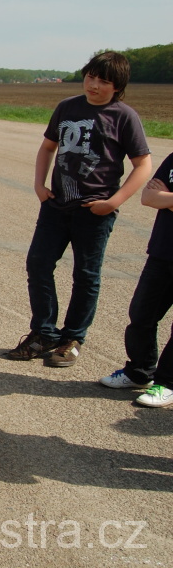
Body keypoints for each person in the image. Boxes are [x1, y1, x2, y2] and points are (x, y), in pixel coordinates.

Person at [5, 51, 151, 367]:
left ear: (117, 86)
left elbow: (143, 164)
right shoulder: (67, 107)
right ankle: (44, 333)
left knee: (85, 275)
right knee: (38, 264)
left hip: (94, 210)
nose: (94, 85)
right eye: (90, 77)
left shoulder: (124, 117)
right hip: (56, 206)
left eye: (103, 81)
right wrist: (39, 184)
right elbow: (48, 147)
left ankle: (72, 339)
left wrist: (114, 202)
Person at [99, 151, 173, 408]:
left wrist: (167, 199)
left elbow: (159, 198)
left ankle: (168, 383)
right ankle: (140, 372)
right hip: (162, 252)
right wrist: (161, 198)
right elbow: (149, 197)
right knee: (141, 315)